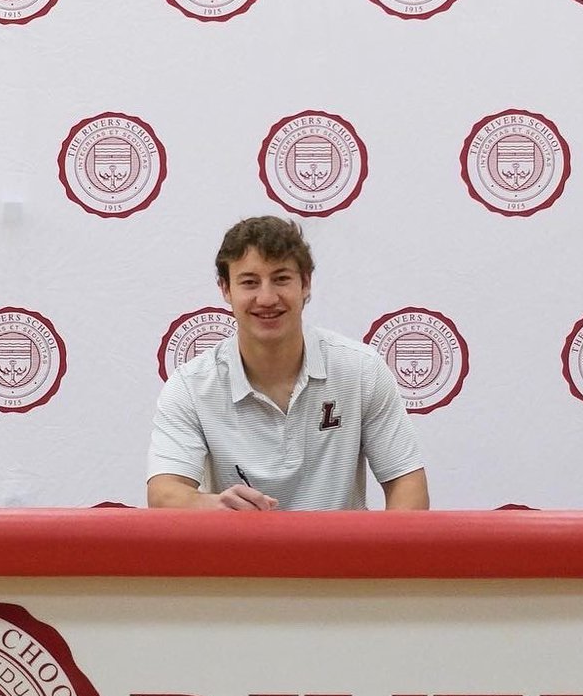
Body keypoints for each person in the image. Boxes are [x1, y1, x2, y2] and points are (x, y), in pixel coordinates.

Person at [147, 216, 429, 510]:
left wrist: (384, 556)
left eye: (281, 278)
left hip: (341, 557)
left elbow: (405, 480)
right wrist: (215, 507)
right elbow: (164, 493)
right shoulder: (190, 386)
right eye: (249, 282)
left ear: (305, 284)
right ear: (226, 289)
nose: (267, 298)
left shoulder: (361, 371)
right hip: (238, 556)